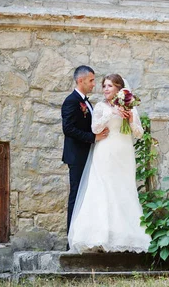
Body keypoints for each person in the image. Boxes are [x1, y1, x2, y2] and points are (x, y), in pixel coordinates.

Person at [67, 73, 151, 253]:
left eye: (109, 86)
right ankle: (99, 236)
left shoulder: (130, 107)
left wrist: (129, 118)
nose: (105, 89)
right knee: (103, 189)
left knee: (123, 190)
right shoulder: (99, 106)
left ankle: (126, 236)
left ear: (120, 90)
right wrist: (111, 113)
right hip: (104, 152)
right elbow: (95, 128)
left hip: (124, 153)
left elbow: (139, 133)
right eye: (104, 86)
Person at [62, 66, 109, 238]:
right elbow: (68, 129)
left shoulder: (86, 102)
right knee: (76, 195)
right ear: (80, 81)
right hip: (77, 156)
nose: (94, 84)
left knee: (86, 196)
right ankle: (71, 238)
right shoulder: (71, 101)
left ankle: (83, 235)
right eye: (91, 80)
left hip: (88, 154)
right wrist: (93, 137)